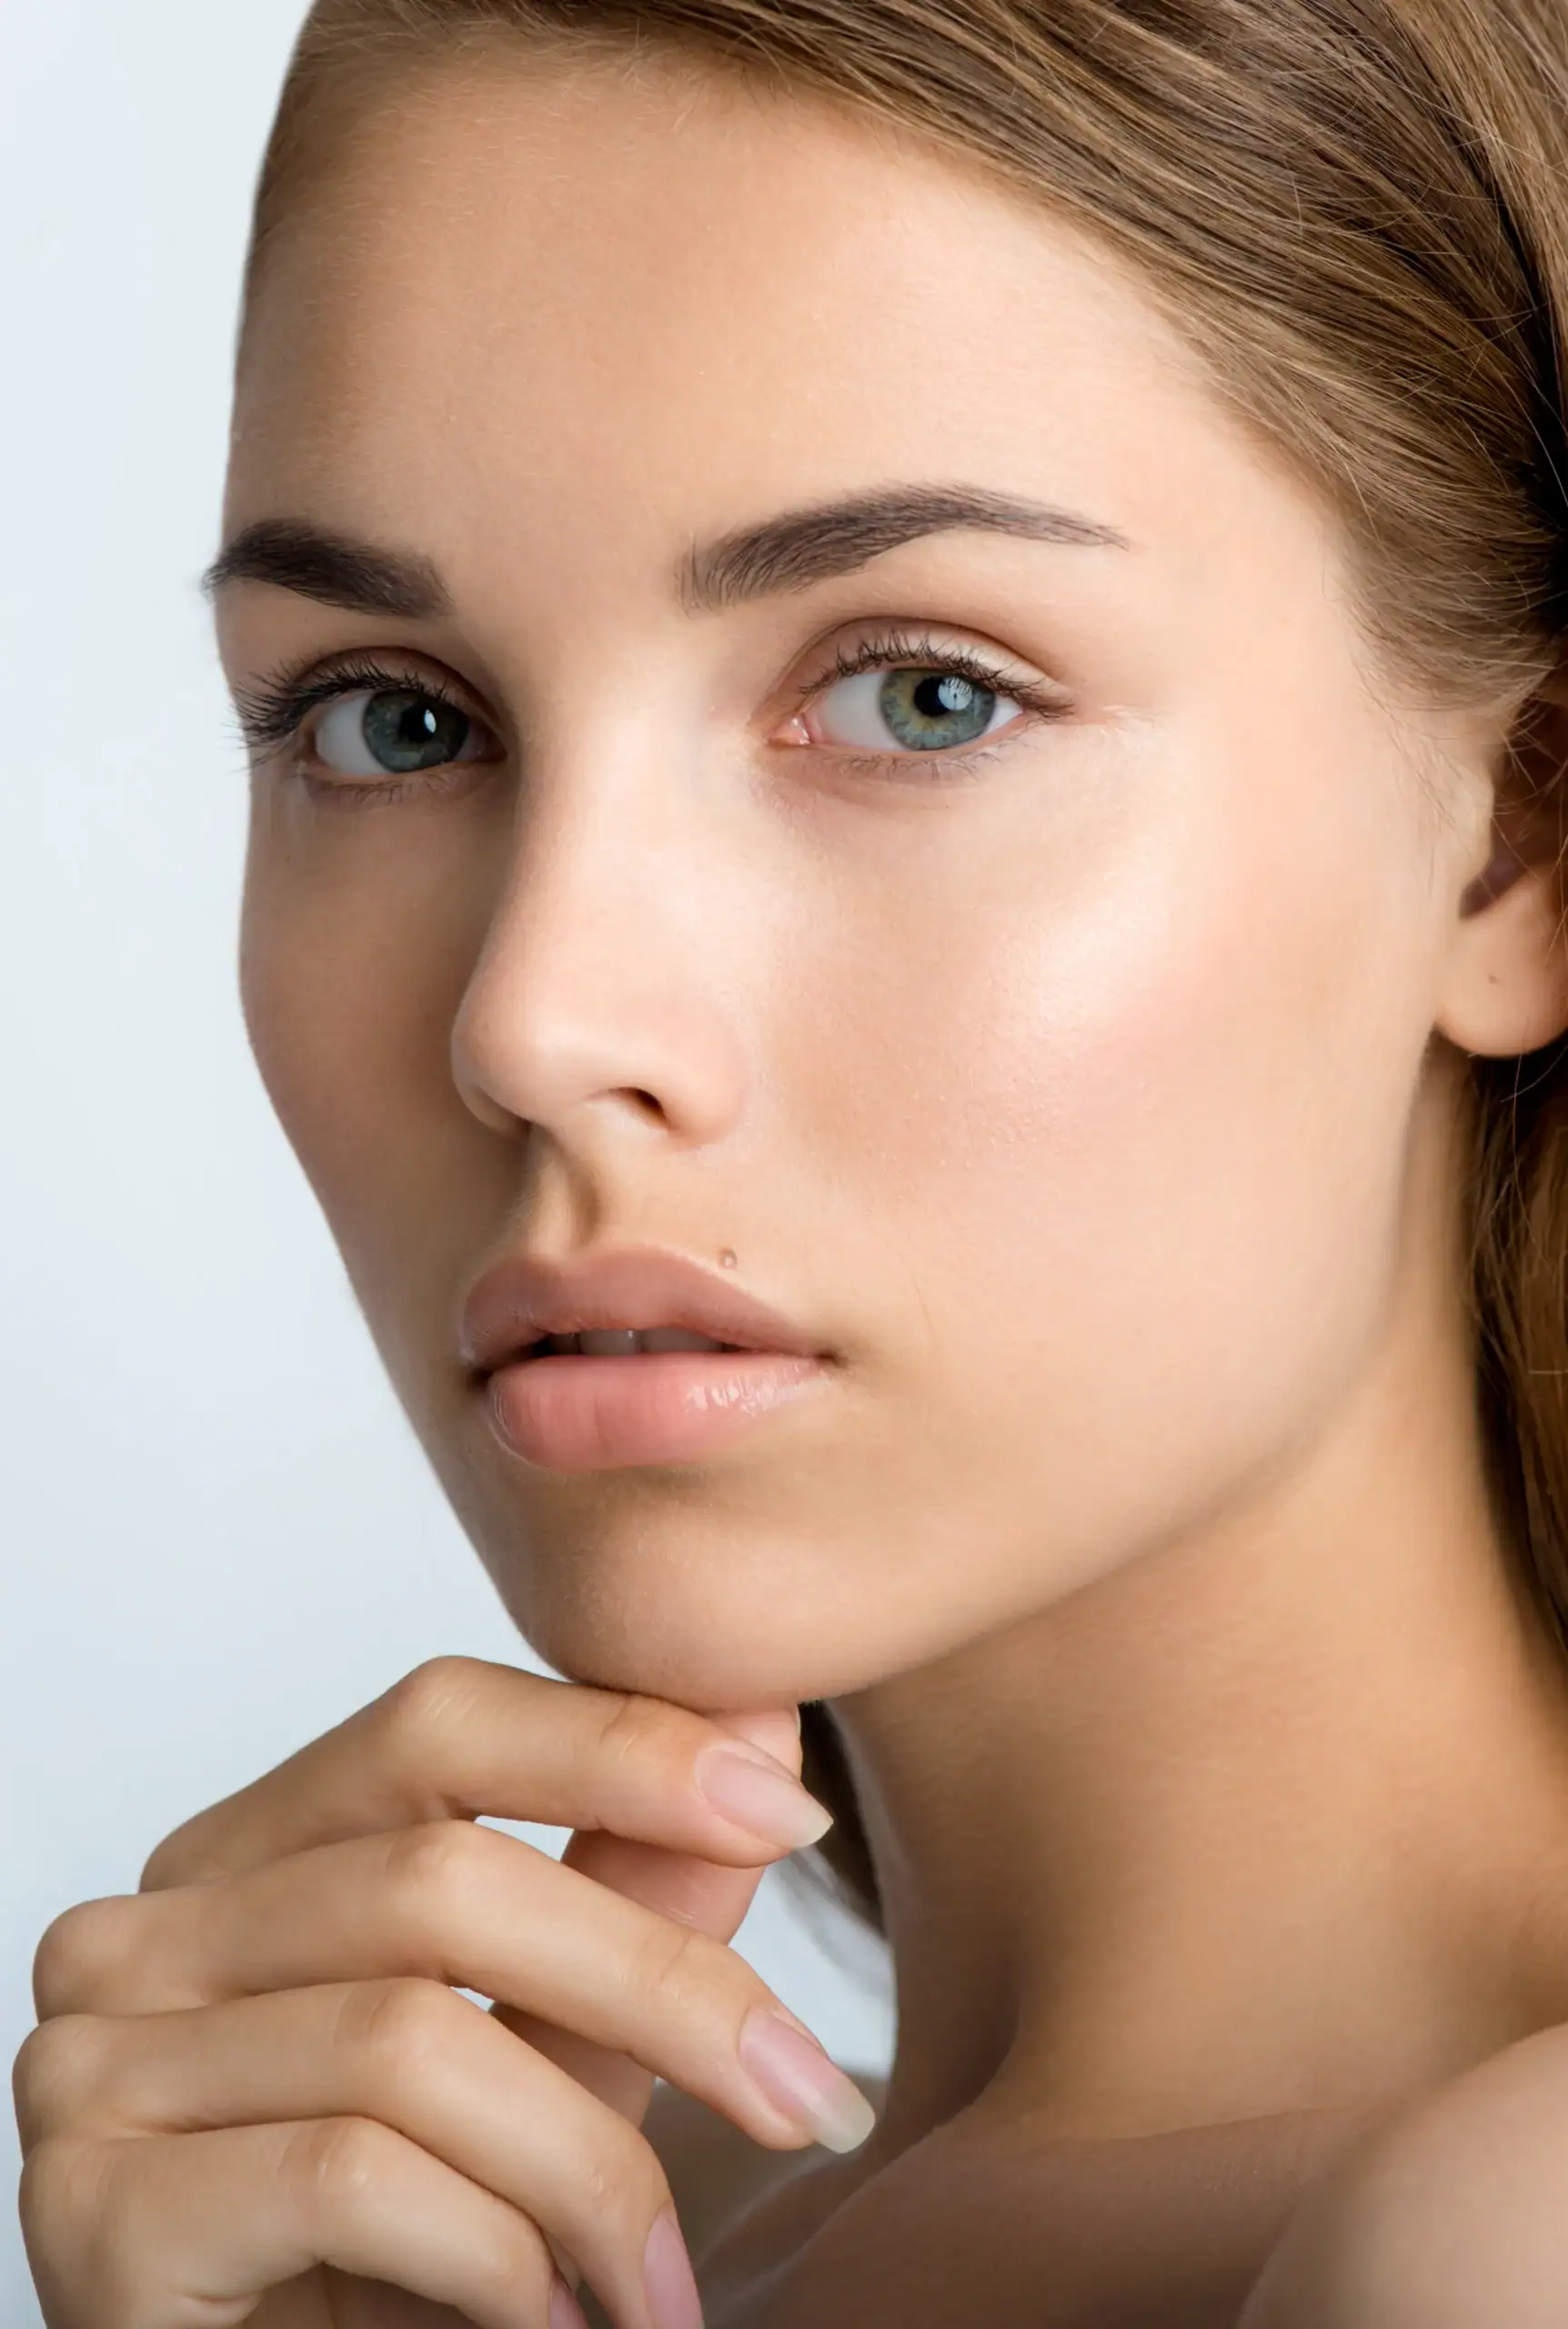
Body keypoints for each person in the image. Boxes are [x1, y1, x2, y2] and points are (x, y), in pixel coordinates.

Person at [15, 0, 1568, 2322]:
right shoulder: (526, 2261)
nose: (533, 1018)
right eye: (392, 718)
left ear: (1520, 836)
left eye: (922, 693)